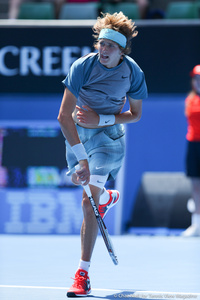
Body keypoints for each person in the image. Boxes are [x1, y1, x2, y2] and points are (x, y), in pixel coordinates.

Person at [57, 11, 148, 297]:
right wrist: (81, 157)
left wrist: (102, 120)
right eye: (102, 43)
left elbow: (134, 115)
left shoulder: (133, 73)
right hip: (79, 136)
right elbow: (63, 117)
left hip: (109, 139)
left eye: (111, 46)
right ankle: (107, 197)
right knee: (79, 183)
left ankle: (82, 274)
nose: (104, 50)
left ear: (122, 50)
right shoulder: (83, 66)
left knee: (87, 202)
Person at [182, 65, 200, 237]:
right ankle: (196, 224)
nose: (199, 81)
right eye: (196, 78)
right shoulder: (190, 99)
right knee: (195, 185)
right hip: (193, 144)